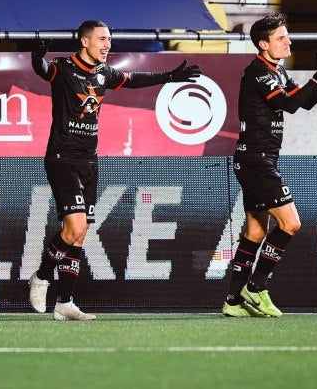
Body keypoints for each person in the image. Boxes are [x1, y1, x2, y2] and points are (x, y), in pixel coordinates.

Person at [29, 19, 202, 320]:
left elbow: (134, 79)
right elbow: (44, 72)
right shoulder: (64, 68)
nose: (108, 44)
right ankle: (42, 276)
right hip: (63, 158)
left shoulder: (103, 73)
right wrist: (36, 58)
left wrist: (170, 77)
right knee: (76, 228)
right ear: (84, 42)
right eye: (102, 39)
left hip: (89, 161)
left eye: (110, 39)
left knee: (79, 236)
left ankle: (64, 303)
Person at [222, 12, 317, 318]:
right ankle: (256, 288)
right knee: (291, 224)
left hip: (257, 159)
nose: (288, 41)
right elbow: (287, 103)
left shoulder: (277, 71)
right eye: (280, 38)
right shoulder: (258, 72)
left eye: (287, 36)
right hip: (256, 161)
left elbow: (304, 102)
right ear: (263, 44)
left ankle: (233, 301)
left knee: (256, 232)